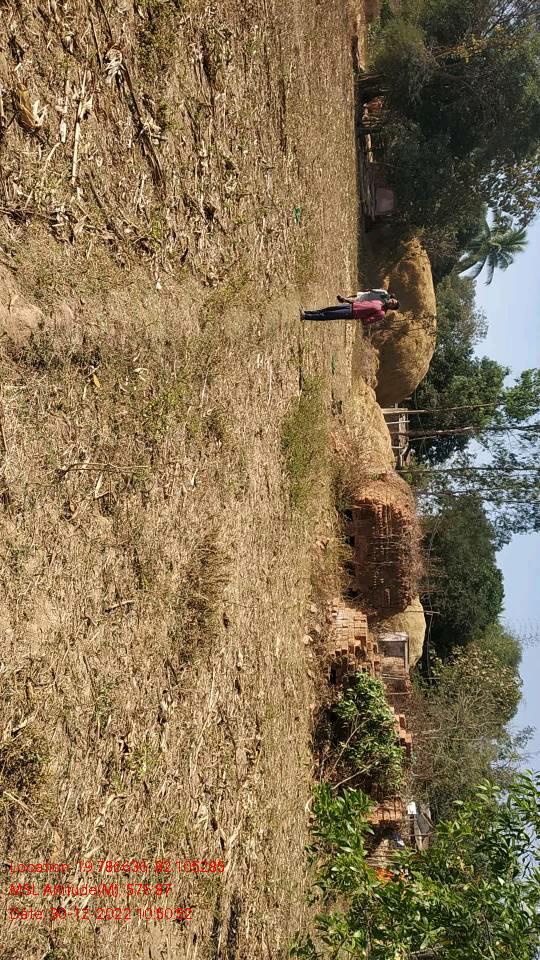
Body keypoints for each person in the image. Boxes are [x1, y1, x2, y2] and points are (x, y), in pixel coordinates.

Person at [301, 294, 400, 324]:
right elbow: (361, 303)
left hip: (351, 313)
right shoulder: (378, 302)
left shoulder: (381, 314)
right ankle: (306, 312)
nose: (391, 302)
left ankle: (305, 316)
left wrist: (361, 314)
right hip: (350, 306)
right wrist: (346, 300)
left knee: (328, 315)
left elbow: (365, 322)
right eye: (392, 300)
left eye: (393, 304)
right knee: (327, 310)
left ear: (392, 308)